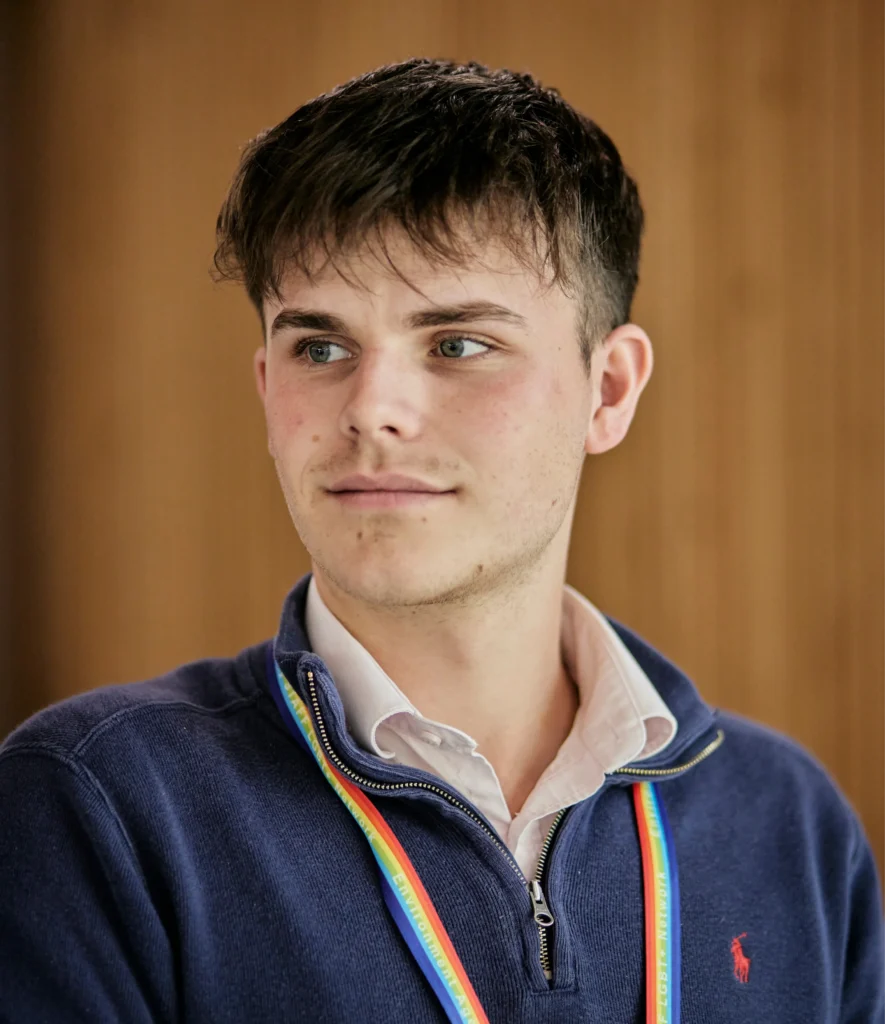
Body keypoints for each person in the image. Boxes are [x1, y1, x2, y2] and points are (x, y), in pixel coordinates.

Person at [1, 58, 882, 1024]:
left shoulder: (788, 827)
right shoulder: (97, 808)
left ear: (610, 389)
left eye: (457, 343)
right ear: (266, 389)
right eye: (320, 347)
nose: (372, 409)